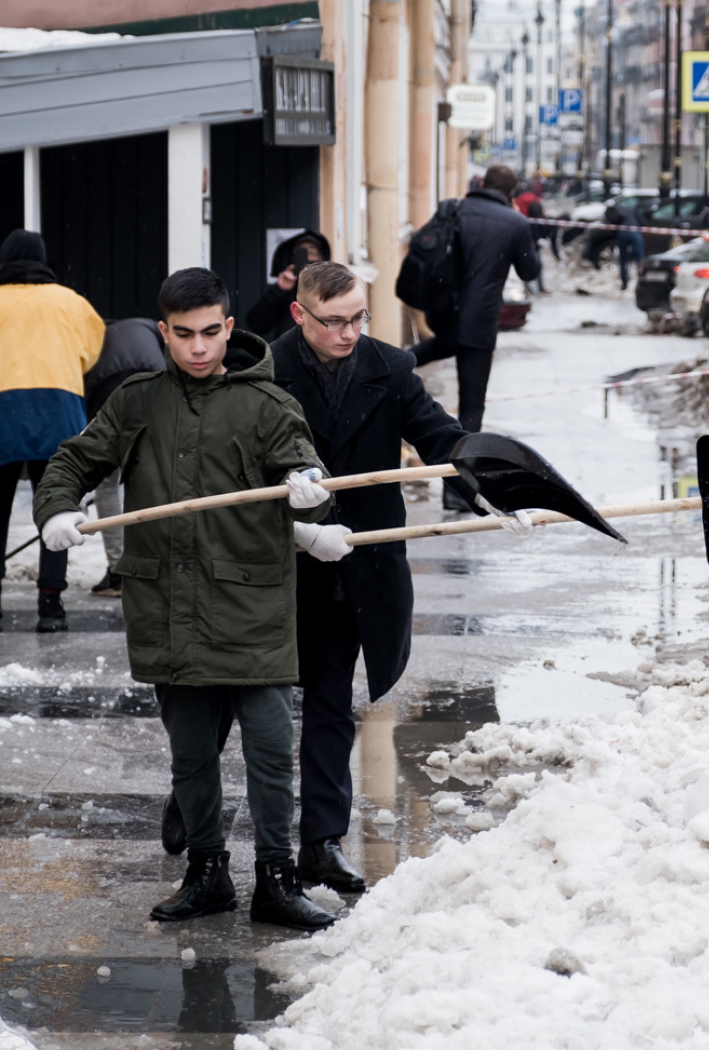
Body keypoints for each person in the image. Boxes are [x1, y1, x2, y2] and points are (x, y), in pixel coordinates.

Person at [33, 267, 336, 931]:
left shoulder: (267, 404)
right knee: (191, 756)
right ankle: (207, 875)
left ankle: (277, 881)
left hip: (253, 608)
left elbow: (300, 461)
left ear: (229, 327)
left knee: (268, 750)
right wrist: (57, 506)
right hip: (169, 608)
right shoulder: (138, 401)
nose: (199, 349)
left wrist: (308, 485)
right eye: (184, 335)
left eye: (210, 333)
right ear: (163, 331)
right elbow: (74, 460)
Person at [160, 260, 474, 893]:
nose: (349, 332)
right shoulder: (260, 373)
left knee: (331, 704)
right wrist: (296, 523)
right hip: (268, 570)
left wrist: (485, 482)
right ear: (300, 314)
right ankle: (192, 806)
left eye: (359, 317)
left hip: (351, 570)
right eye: (333, 321)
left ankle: (321, 843)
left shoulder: (391, 369)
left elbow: (439, 437)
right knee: (227, 697)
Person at [0, 229, 105, 632]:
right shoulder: (71, 302)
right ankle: (51, 605)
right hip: (56, 408)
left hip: (3, 410)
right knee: (57, 505)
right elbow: (92, 351)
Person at [412, 165, 540, 464]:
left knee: (435, 347)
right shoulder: (515, 223)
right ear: (510, 193)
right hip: (479, 323)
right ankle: (458, 488)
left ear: (482, 183)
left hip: (443, 314)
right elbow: (529, 271)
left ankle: (392, 365)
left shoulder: (455, 209)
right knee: (470, 408)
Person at [83, 318, 166, 597]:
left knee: (106, 485)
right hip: (155, 387)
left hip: (106, 393)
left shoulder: (94, 336)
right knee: (157, 477)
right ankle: (162, 565)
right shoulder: (149, 327)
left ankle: (119, 571)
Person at [245, 229, 331, 343]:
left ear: (322, 258)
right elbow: (256, 324)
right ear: (293, 259)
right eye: (302, 253)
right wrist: (279, 290)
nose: (308, 259)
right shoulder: (286, 291)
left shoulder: (331, 288)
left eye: (312, 253)